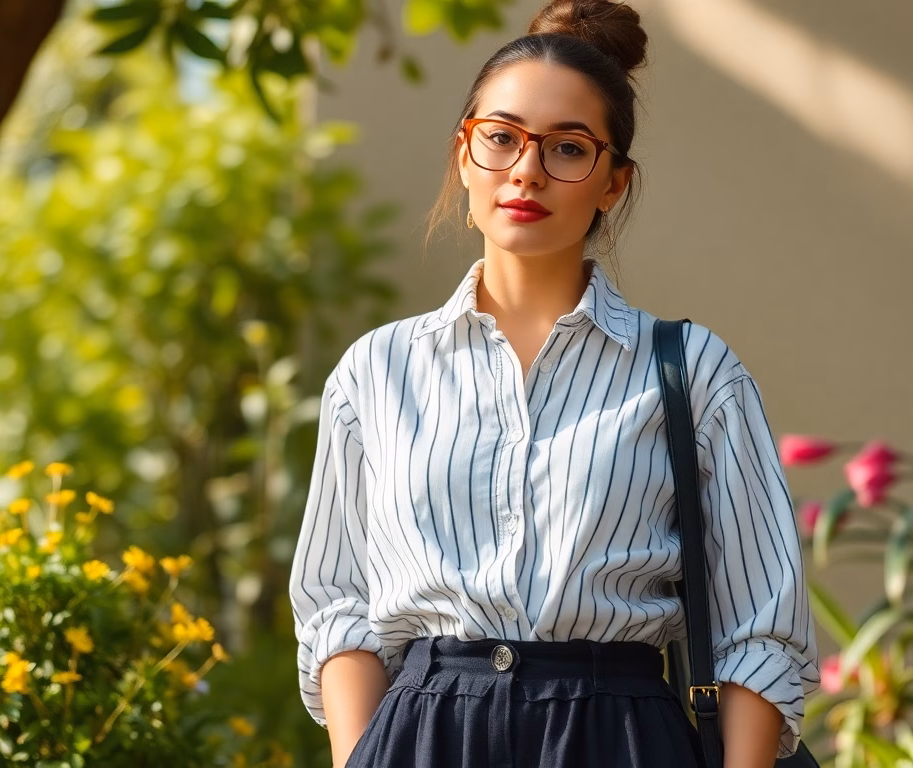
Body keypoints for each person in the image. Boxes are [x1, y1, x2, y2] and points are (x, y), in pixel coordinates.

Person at [289, 1, 818, 765]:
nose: (527, 170)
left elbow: (758, 627)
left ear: (612, 182)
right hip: (424, 734)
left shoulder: (693, 372)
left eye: (567, 148)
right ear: (464, 155)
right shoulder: (376, 372)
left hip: (621, 735)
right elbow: (337, 606)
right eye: (500, 138)